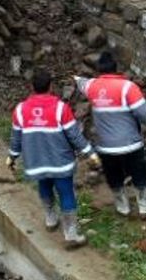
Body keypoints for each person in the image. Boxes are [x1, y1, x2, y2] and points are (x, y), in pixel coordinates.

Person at [8, 68, 99, 249]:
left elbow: (16, 137)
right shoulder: (60, 109)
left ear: (31, 87)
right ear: (50, 87)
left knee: (44, 186)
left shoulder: (20, 110)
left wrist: (12, 156)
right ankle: (71, 234)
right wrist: (90, 153)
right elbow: (74, 136)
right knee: (66, 193)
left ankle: (50, 219)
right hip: (60, 162)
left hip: (37, 162)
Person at [74, 52, 146, 218]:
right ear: (116, 69)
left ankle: (123, 207)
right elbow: (144, 113)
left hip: (106, 148)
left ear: (99, 70)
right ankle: (145, 206)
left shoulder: (92, 86)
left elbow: (80, 82)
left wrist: (74, 77)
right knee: (139, 173)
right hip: (131, 144)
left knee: (114, 176)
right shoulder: (128, 87)